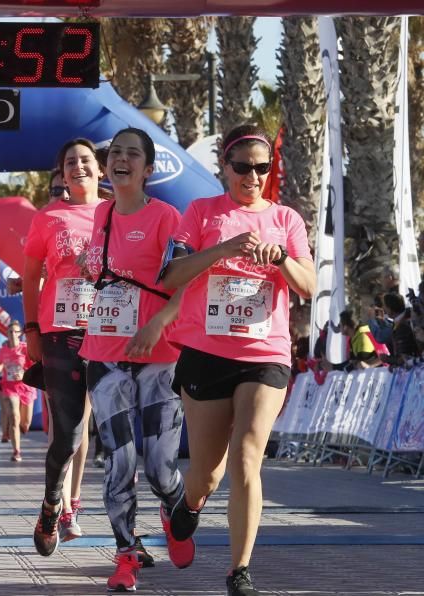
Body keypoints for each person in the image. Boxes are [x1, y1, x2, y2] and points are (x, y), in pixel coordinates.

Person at [159, 124, 315, 596]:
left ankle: (239, 570)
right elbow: (170, 276)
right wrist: (223, 249)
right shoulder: (201, 212)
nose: (252, 176)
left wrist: (282, 259)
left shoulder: (286, 219)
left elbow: (308, 286)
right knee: (207, 471)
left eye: (262, 168)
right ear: (224, 168)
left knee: (248, 455)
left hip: (265, 353)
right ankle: (187, 505)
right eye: (242, 167)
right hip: (207, 352)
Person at [78, 128, 194, 591]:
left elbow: (185, 283)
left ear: (148, 168)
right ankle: (126, 552)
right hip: (104, 354)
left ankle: (176, 507)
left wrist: (158, 321)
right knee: (119, 461)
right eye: (116, 153)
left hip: (160, 356)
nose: (121, 160)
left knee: (160, 467)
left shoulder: (168, 217)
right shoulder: (100, 214)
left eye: (133, 154)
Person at [24, 138, 102, 556]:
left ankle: (122, 532)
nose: (78, 167)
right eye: (70, 161)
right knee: (69, 431)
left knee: (113, 432)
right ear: (63, 173)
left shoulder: (117, 214)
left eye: (86, 160)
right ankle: (54, 502)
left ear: (100, 169)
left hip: (111, 332)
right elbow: (31, 272)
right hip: (61, 331)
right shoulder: (48, 217)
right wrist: (32, 328)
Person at [0, 320, 35, 462]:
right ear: (6, 334)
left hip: (26, 387)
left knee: (25, 424)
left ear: (20, 334)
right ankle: (16, 451)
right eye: (10, 331)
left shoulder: (25, 349)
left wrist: (24, 374)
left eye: (15, 332)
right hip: (9, 386)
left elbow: (33, 367)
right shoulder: (3, 350)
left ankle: (20, 429)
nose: (12, 334)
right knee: (13, 416)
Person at [382, 292, 420, 365]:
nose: (383, 308)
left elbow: (404, 358)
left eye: (385, 306)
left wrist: (387, 359)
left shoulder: (402, 326)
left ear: (390, 308)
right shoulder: (399, 322)